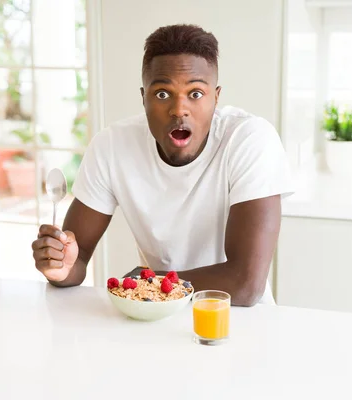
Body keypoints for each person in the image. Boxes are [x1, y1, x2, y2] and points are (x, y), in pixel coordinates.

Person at [31, 24, 294, 306]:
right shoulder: (112, 146)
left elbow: (245, 284)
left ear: (216, 98)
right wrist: (60, 267)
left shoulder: (249, 140)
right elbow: (77, 256)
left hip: (239, 322)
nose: (179, 109)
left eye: (195, 93)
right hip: (154, 317)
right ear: (143, 98)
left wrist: (150, 281)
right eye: (162, 94)